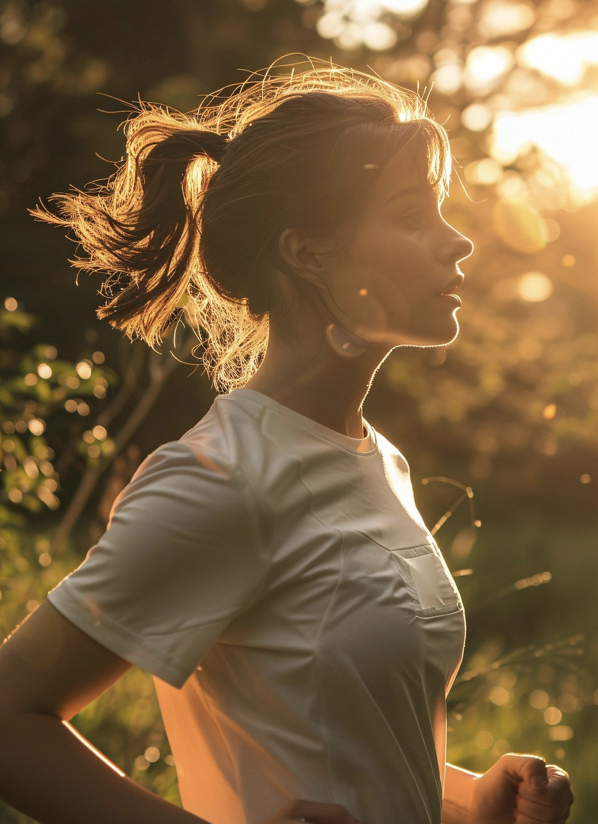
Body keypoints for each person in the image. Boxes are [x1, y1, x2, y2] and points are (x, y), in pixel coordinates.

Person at [0, 58, 574, 824]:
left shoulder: (378, 458)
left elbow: (341, 738)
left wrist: (472, 798)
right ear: (307, 252)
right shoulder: (226, 476)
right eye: (411, 215)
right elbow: (10, 719)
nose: (458, 243)